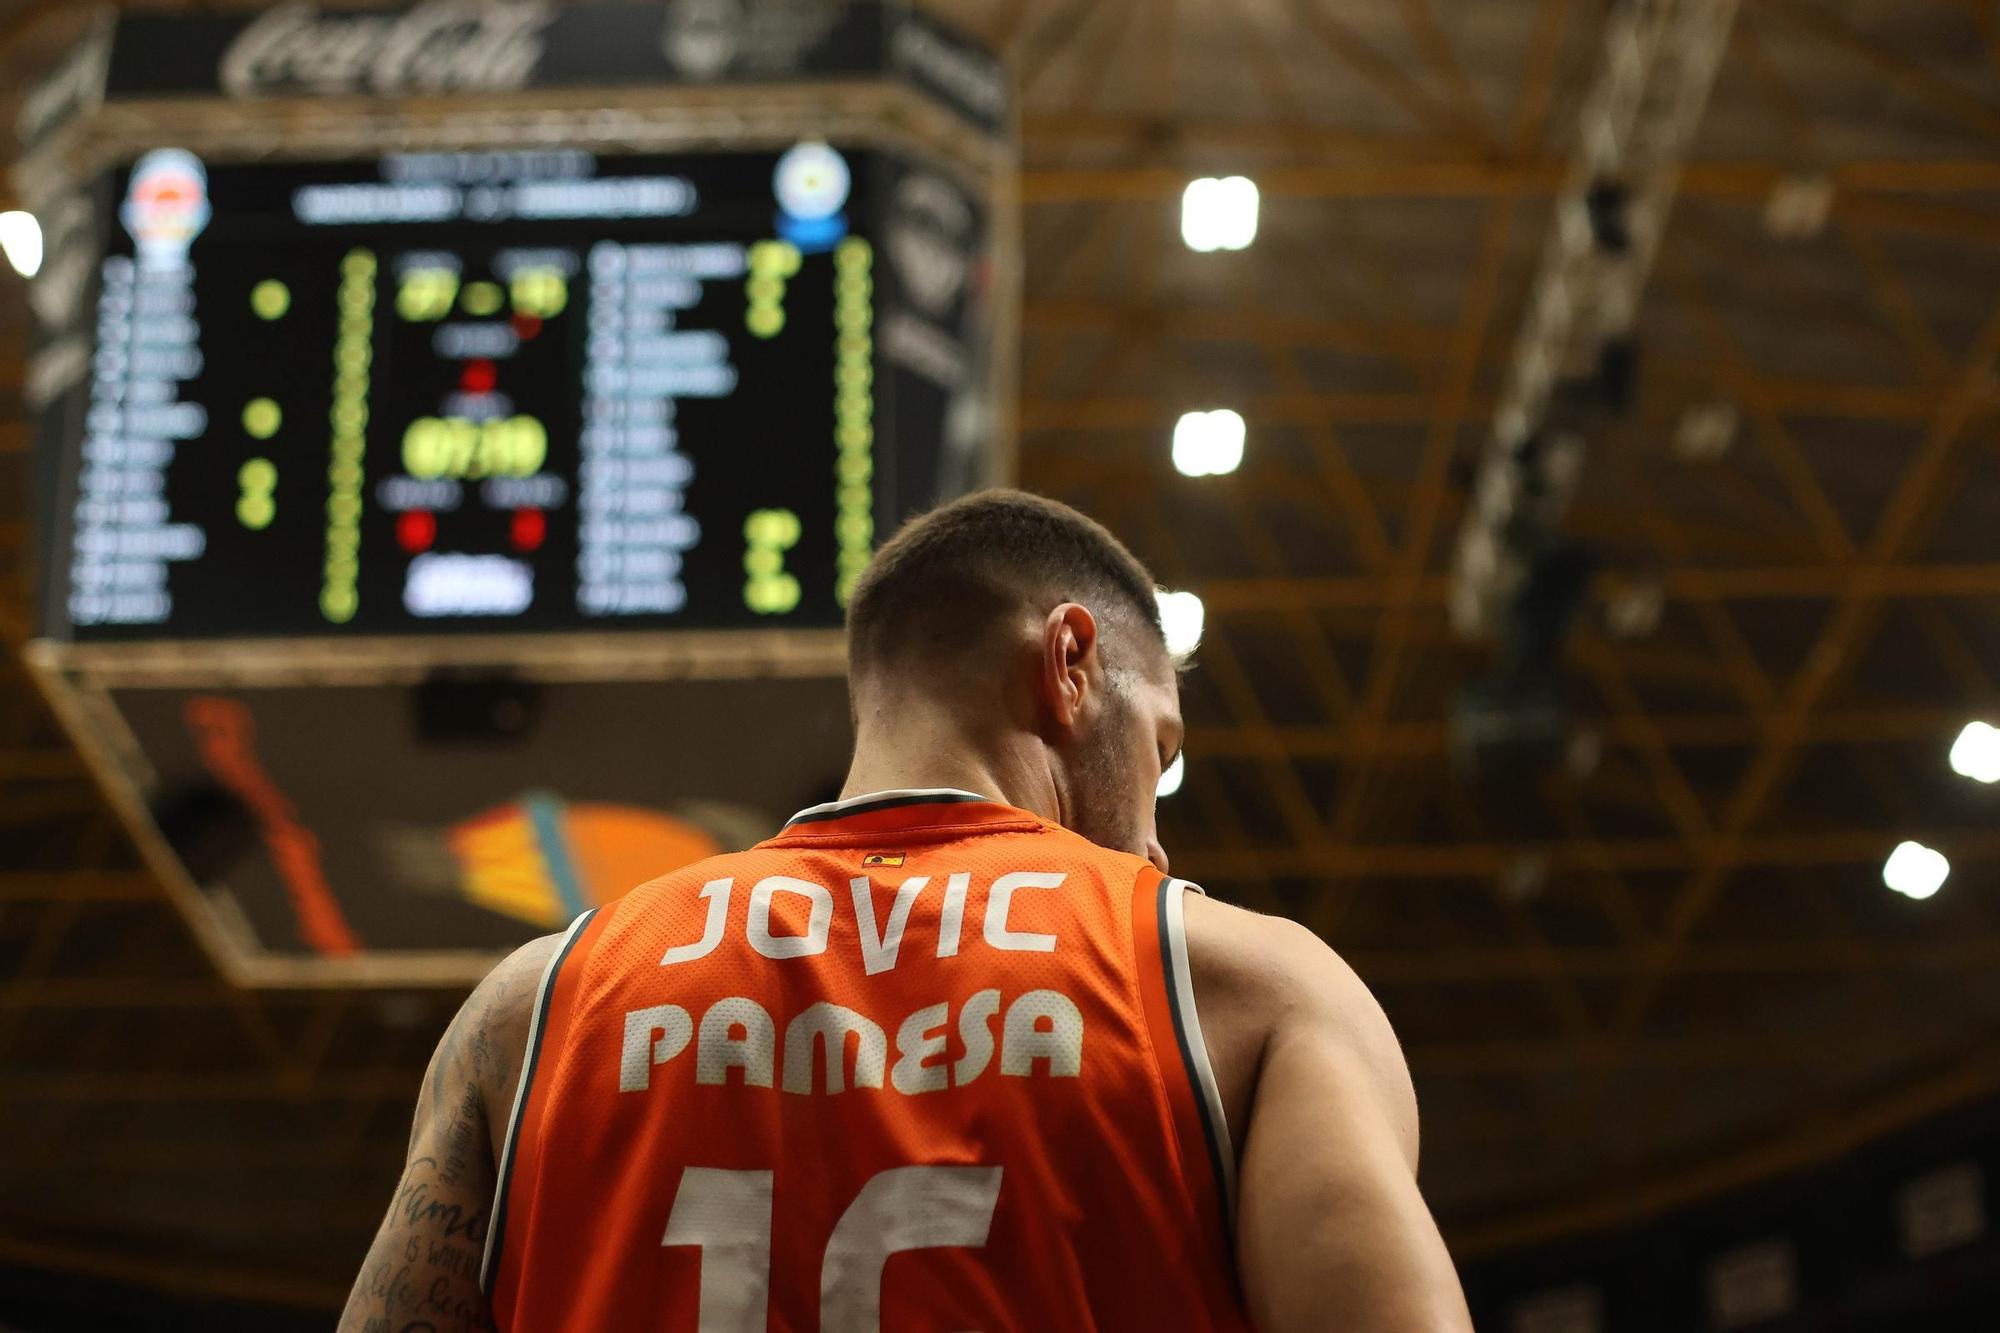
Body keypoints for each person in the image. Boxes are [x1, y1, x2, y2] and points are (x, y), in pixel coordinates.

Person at [339, 490, 1472, 1332]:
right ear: (1070, 660)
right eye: (1159, 750)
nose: (1158, 837)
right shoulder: (1247, 989)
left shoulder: (536, 1004)